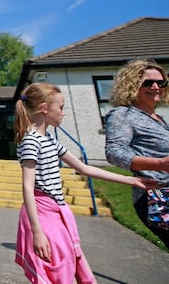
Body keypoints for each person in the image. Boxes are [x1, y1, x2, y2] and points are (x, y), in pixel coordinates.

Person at [14, 82, 153, 284]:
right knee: (57, 270)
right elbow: (27, 187)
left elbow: (83, 168)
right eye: (60, 107)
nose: (63, 113)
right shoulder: (30, 141)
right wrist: (37, 232)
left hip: (58, 210)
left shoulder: (50, 140)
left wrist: (131, 179)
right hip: (42, 213)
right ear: (44, 108)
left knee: (70, 264)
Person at [105, 59, 169, 246]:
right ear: (132, 86)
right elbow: (114, 152)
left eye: (161, 83)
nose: (156, 87)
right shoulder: (123, 115)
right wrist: (158, 164)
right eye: (148, 83)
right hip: (157, 196)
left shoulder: (159, 119)